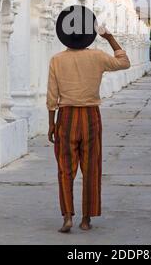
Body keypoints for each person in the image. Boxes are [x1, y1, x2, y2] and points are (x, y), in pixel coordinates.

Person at [46, 15, 130, 233]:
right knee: (91, 168)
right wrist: (109, 37)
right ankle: (85, 219)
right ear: (89, 35)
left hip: (65, 117)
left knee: (65, 169)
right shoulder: (97, 57)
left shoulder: (57, 60)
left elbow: (51, 96)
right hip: (91, 117)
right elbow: (124, 62)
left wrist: (51, 124)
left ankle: (66, 217)